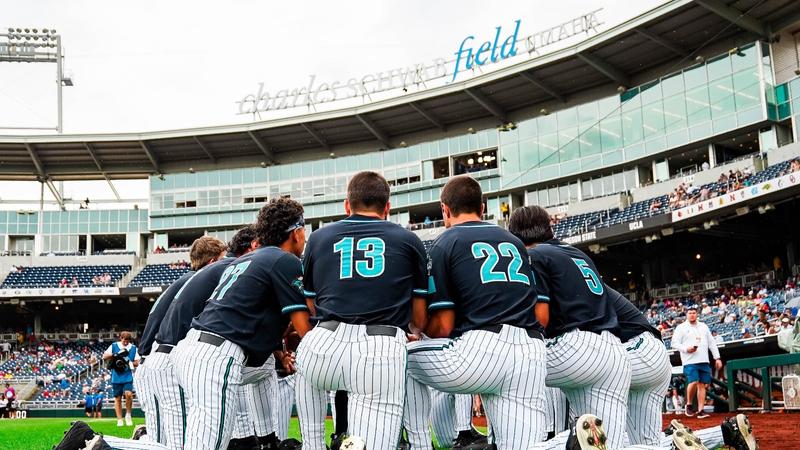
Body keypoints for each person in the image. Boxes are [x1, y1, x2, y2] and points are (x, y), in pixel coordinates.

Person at [406, 176, 548, 450]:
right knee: (524, 447)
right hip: (530, 351)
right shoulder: (515, 242)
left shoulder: (446, 241)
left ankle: (424, 444)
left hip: (481, 350)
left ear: (444, 209)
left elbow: (444, 327)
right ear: (482, 208)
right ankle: (569, 443)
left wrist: (420, 334)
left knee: (396, 355)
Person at [296, 171, 429, 450]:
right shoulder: (408, 240)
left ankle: (316, 442)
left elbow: (310, 303)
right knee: (368, 443)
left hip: (322, 346)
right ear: (387, 207)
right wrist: (413, 332)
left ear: (347, 205)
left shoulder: (318, 238)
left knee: (308, 381)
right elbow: (418, 317)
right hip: (378, 348)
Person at [170, 198, 311, 450]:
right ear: (296, 231)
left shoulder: (246, 260)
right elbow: (305, 331)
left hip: (195, 349)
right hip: (216, 356)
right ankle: (102, 446)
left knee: (265, 368)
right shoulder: (284, 260)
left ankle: (268, 440)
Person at [507, 205, 630, 449]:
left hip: (574, 348)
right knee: (611, 444)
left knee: (503, 366)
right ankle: (670, 445)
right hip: (615, 352)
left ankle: (507, 441)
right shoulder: (578, 253)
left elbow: (540, 318)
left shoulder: (534, 255)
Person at [134, 235, 228, 448]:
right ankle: (105, 445)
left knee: (165, 442)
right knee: (178, 443)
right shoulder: (198, 280)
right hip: (163, 359)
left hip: (152, 359)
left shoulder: (185, 280)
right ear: (213, 261)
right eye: (223, 258)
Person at [671, 305, 722, 418]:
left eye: (694, 312)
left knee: (702, 385)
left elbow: (711, 343)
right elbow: (674, 343)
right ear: (686, 315)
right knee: (693, 381)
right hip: (689, 360)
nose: (692, 315)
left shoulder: (703, 326)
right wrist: (686, 349)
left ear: (697, 314)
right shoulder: (681, 327)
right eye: (690, 313)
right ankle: (689, 404)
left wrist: (717, 358)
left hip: (703, 359)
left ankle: (701, 410)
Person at [102, 331, 140, 426]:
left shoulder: (133, 348)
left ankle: (128, 415)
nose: (126, 342)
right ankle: (119, 419)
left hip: (127, 375)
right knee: (117, 398)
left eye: (127, 341)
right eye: (124, 340)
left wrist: (129, 362)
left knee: (129, 394)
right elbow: (104, 356)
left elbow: (138, 362)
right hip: (116, 375)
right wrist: (115, 354)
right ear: (121, 339)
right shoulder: (114, 346)